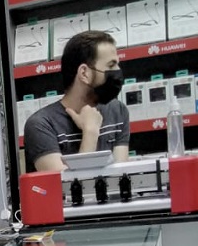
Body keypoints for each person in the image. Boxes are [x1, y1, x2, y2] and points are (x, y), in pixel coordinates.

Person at [23, 31, 130, 172]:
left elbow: (120, 176)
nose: (118, 71)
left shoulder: (118, 111)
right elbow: (64, 185)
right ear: (84, 73)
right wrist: (90, 133)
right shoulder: (41, 125)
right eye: (111, 66)